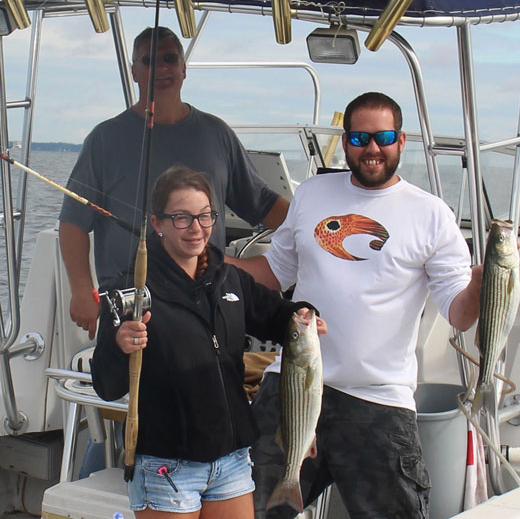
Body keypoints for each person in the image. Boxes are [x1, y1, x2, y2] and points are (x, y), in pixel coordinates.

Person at [229, 92, 483, 518]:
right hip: (293, 383)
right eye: (360, 137)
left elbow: (459, 313)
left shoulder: (432, 215)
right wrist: (210, 262)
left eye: (383, 136)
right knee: (242, 509)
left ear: (401, 140)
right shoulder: (311, 194)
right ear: (345, 141)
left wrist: (481, 282)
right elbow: (275, 273)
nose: (372, 149)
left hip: (378, 400)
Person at [92, 165, 324, 518]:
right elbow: (106, 385)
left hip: (230, 461)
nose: (196, 229)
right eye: (181, 218)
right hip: (165, 465)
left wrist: (303, 314)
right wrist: (118, 345)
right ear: (157, 224)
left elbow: (276, 315)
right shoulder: (131, 292)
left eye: (204, 216)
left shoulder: (228, 278)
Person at [58, 26, 290, 341]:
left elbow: (263, 203)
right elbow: (72, 223)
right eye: (149, 60)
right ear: (134, 72)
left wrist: (317, 227)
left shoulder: (216, 134)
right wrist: (82, 291)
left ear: (183, 68)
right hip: (131, 312)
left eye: (170, 58)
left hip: (203, 302)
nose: (161, 68)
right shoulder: (104, 139)